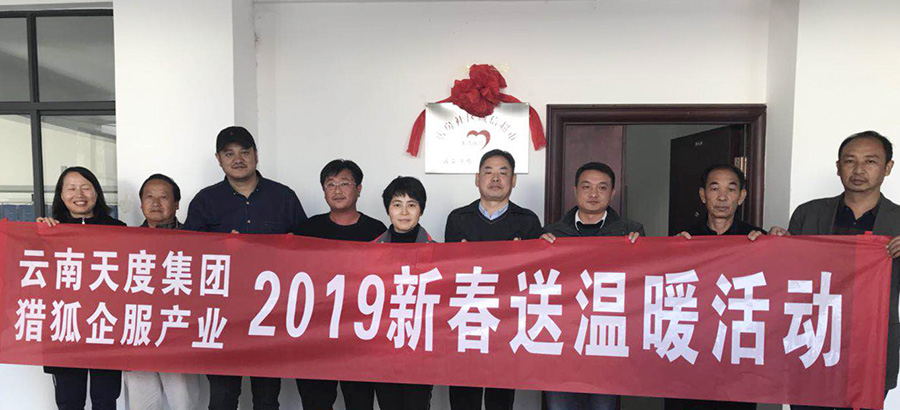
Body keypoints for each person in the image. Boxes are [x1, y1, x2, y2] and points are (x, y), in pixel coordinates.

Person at [771, 131, 900, 410]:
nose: (858, 170)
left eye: (870, 161)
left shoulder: (898, 221)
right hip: (812, 341)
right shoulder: (809, 213)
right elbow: (788, 277)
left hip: (870, 346)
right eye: (850, 161)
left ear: (888, 167)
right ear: (838, 166)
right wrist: (777, 247)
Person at [184, 125, 308, 410]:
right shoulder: (205, 201)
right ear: (218, 159)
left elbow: (305, 250)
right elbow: (188, 254)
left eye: (244, 152)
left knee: (267, 398)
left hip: (270, 313)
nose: (238, 159)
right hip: (221, 315)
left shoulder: (283, 197)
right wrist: (221, 248)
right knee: (223, 398)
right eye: (229, 154)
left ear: (256, 155)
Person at [444, 149, 542, 410]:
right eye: (488, 172)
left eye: (503, 172)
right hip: (467, 320)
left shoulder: (528, 221)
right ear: (477, 179)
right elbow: (449, 273)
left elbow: (536, 276)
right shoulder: (458, 219)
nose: (495, 178)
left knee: (500, 399)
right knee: (464, 396)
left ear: (514, 180)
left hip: (507, 322)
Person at [540, 162, 642, 410]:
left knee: (603, 405)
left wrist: (642, 249)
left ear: (612, 193)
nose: (594, 194)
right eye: (587, 187)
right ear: (575, 190)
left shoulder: (631, 232)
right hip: (562, 339)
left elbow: (643, 282)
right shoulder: (552, 234)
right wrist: (536, 249)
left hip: (606, 339)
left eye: (602, 188)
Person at [666, 164, 763, 410]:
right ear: (703, 195)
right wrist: (669, 254)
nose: (722, 197)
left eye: (730, 189)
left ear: (741, 196)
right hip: (692, 347)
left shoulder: (758, 239)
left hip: (738, 351)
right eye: (714, 188)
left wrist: (780, 244)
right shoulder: (684, 239)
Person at [295, 159, 387, 410]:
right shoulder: (307, 230)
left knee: (359, 402)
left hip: (360, 336)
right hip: (315, 336)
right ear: (323, 190)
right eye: (330, 184)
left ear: (358, 189)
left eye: (344, 183)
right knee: (315, 402)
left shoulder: (376, 231)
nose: (337, 190)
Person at [36, 166, 125, 410]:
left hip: (106, 325)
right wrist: (37, 236)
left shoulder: (119, 229)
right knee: (69, 402)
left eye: (86, 187)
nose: (79, 194)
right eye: (71, 188)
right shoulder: (49, 231)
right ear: (61, 195)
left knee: (105, 400)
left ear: (96, 192)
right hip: (64, 325)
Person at [122, 173, 200, 410]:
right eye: (149, 197)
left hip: (179, 334)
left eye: (163, 197)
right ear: (141, 203)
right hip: (139, 334)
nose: (155, 203)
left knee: (183, 403)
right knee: (141, 405)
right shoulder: (124, 242)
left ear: (176, 204)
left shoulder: (197, 241)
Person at [372, 176, 435, 410]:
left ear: (421, 210)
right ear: (388, 209)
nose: (404, 212)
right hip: (382, 348)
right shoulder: (369, 252)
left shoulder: (439, 253)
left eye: (412, 204)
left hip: (421, 350)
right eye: (397, 204)